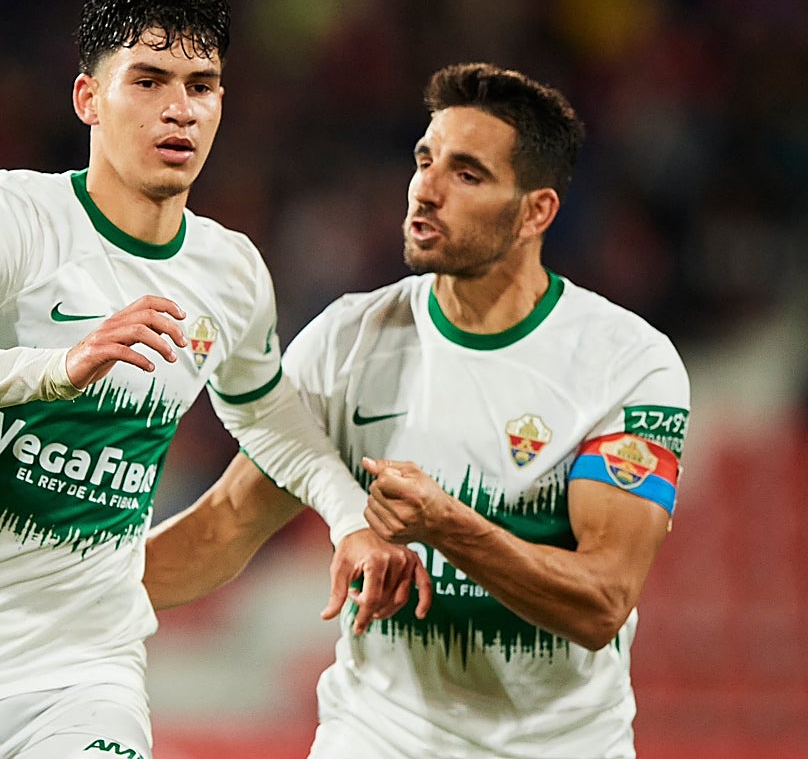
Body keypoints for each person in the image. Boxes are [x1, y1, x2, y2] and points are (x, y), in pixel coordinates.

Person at [0, 0, 423, 759]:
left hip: (85, 675)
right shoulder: (16, 216)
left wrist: (348, 519)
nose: (179, 109)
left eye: (201, 86)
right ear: (88, 98)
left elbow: (270, 419)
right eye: (150, 80)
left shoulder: (231, 274)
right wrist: (54, 368)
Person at [145, 62, 691, 759]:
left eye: (467, 174)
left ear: (536, 211)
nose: (426, 190)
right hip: (376, 737)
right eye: (424, 160)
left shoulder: (624, 363)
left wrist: (449, 527)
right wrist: (57, 590)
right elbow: (227, 524)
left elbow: (601, 600)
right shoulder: (349, 340)